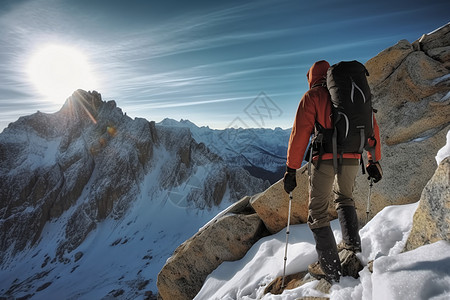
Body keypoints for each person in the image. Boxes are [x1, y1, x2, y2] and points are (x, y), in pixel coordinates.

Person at [283, 60, 382, 283]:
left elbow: (299, 136)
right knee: (345, 197)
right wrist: (372, 161)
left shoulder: (313, 97)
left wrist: (291, 169)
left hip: (324, 158)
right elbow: (371, 126)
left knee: (317, 212)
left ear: (311, 77)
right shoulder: (349, 96)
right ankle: (353, 250)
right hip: (352, 155)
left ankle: (333, 273)